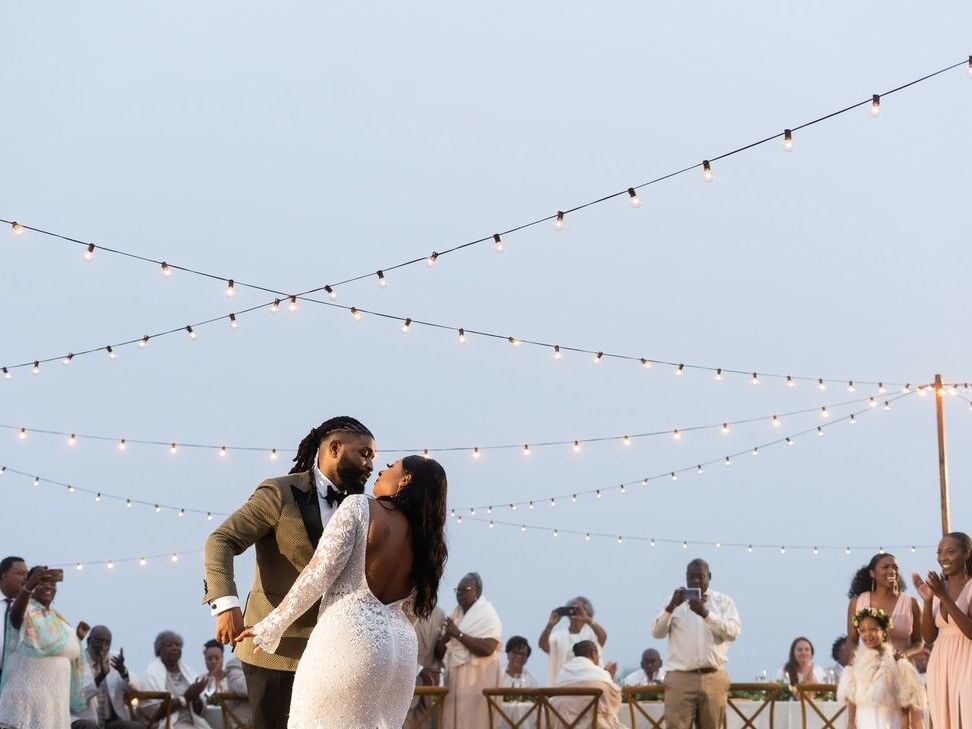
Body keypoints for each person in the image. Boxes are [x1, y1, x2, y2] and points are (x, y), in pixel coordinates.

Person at [237, 456, 448, 729]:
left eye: (392, 466)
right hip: (400, 652)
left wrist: (271, 624)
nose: (381, 470)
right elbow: (413, 612)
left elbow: (319, 573)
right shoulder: (427, 539)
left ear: (406, 479)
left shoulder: (360, 506)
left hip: (350, 638)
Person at [204, 416, 376, 729]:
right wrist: (225, 605)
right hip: (272, 651)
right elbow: (221, 540)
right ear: (334, 448)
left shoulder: (363, 507)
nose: (371, 464)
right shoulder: (279, 493)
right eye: (364, 453)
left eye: (373, 457)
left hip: (333, 652)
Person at [651, 558, 741, 729]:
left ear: (710, 576)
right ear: (685, 578)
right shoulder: (673, 600)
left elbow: (733, 632)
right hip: (680, 677)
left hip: (713, 676)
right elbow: (657, 633)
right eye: (691, 577)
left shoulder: (723, 602)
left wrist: (706, 614)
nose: (695, 581)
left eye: (700, 576)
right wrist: (670, 608)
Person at [0, 565, 87, 729]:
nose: (49, 586)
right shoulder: (24, 610)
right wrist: (29, 586)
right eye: (42, 582)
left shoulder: (58, 619)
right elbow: (16, 617)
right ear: (31, 584)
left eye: (53, 584)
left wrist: (78, 638)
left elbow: (62, 647)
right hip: (26, 702)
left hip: (54, 705)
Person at [912, 530, 972, 729]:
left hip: (967, 660)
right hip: (941, 661)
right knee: (943, 720)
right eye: (939, 553)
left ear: (967, 553)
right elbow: (928, 637)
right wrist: (928, 600)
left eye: (950, 552)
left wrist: (944, 596)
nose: (943, 558)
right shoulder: (938, 588)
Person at [837, 607, 925, 729]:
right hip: (865, 719)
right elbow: (852, 696)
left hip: (890, 720)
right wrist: (851, 722)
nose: (867, 634)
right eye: (862, 630)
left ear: (884, 631)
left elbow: (906, 698)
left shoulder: (896, 662)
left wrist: (906, 724)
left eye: (873, 629)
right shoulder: (856, 663)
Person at [435, 572, 502, 729]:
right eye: (457, 590)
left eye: (465, 589)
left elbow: (488, 649)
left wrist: (458, 634)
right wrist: (446, 637)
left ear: (477, 592)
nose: (460, 594)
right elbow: (439, 654)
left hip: (477, 684)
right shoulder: (455, 615)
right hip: (453, 685)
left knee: (476, 723)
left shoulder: (488, 615)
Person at [847, 553, 922, 656]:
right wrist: (853, 663)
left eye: (895, 567)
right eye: (885, 567)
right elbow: (852, 640)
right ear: (872, 573)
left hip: (901, 668)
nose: (892, 571)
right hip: (869, 668)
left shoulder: (912, 603)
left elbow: (919, 642)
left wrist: (904, 654)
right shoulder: (857, 602)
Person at [72, 625, 141, 729]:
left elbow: (136, 688)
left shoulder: (115, 660)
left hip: (111, 722)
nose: (103, 647)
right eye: (98, 642)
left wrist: (123, 672)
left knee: (135, 727)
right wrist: (100, 677)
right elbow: (77, 698)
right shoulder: (76, 662)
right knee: (89, 726)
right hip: (87, 719)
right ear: (89, 641)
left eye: (107, 643)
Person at [141, 631, 212, 728]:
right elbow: (153, 713)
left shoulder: (189, 673)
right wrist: (185, 698)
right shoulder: (151, 674)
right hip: (167, 725)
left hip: (193, 724)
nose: (175, 648)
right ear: (159, 650)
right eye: (169, 645)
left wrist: (195, 698)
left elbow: (199, 712)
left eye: (178, 645)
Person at [550, 641, 626, 729]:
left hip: (564, 725)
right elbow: (612, 702)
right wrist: (609, 676)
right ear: (593, 653)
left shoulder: (563, 673)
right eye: (598, 656)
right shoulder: (601, 674)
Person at [539, 596, 607, 685]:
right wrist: (550, 625)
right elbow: (543, 646)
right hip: (561, 687)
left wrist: (588, 620)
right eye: (573, 609)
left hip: (589, 686)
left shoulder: (592, 633)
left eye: (579, 610)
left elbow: (603, 637)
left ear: (588, 613)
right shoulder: (558, 636)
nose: (576, 612)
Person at [201, 640, 251, 727]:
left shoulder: (231, 679)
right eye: (209, 658)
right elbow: (210, 702)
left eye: (216, 658)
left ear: (222, 658)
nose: (213, 661)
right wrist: (212, 679)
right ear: (205, 660)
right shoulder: (199, 681)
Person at [0, 556, 27, 687]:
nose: (25, 579)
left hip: (17, 680)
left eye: (26, 575)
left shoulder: (31, 607)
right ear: (4, 575)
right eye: (20, 574)